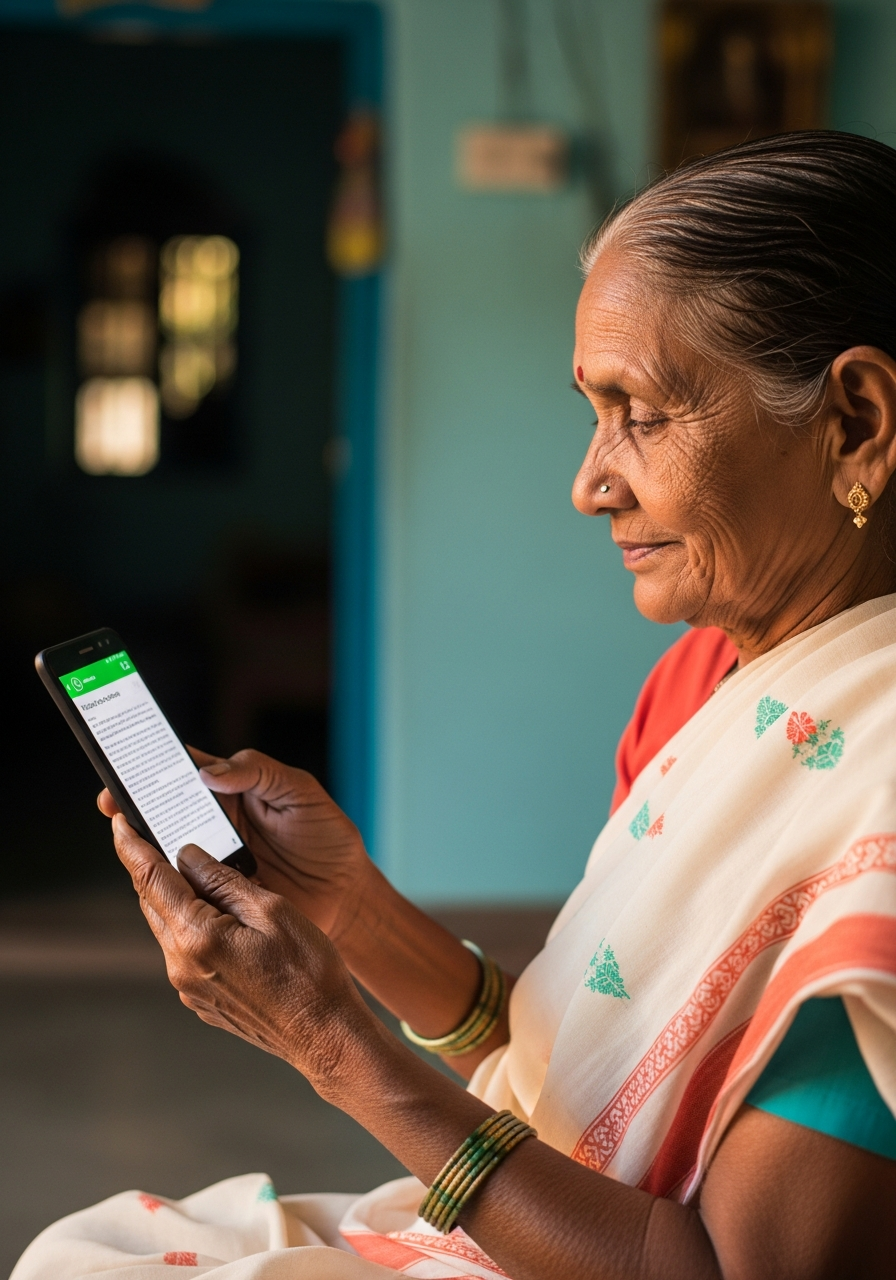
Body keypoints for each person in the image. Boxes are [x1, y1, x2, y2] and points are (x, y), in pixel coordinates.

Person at [14, 131, 896, 1280]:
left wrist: (333, 1046)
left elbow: (727, 1268)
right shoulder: (701, 681)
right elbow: (582, 1071)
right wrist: (353, 910)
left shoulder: (871, 793)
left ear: (855, 420)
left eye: (637, 410)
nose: (590, 482)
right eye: (590, 410)